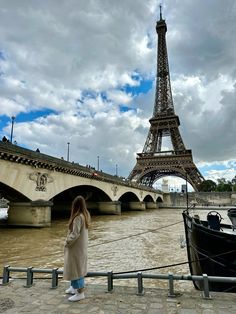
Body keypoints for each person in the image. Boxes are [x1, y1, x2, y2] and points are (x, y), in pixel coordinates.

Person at [63, 195, 91, 302]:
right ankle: (73, 287)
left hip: (75, 247)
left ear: (75, 206)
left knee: (75, 269)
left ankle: (80, 292)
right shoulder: (85, 215)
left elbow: (75, 234)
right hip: (80, 247)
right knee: (76, 268)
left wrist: (67, 242)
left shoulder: (78, 217)